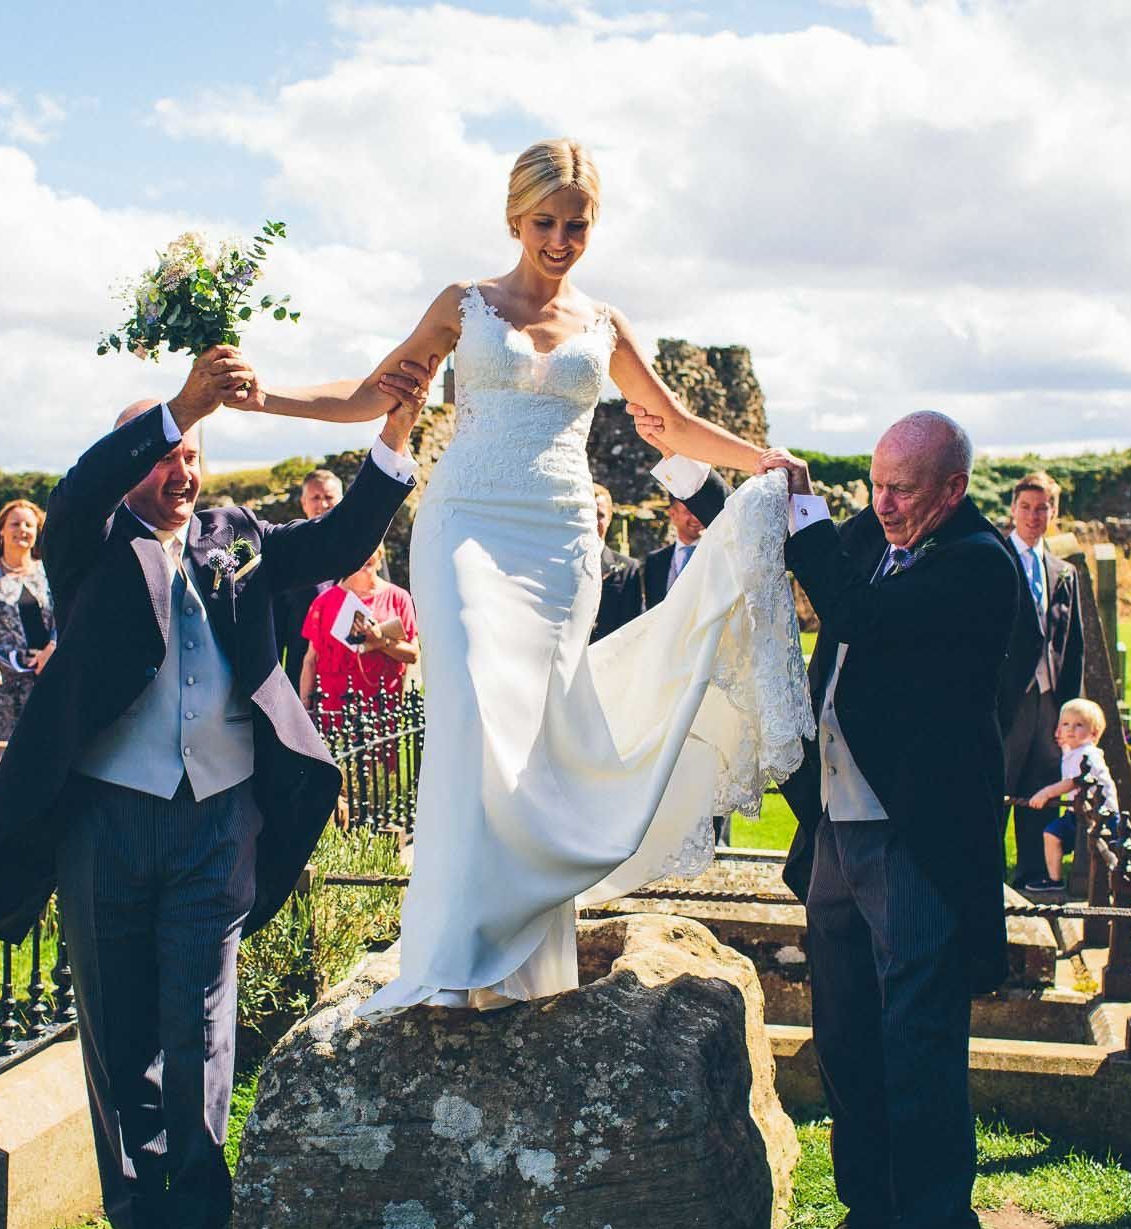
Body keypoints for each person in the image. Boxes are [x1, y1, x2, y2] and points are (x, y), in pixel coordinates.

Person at [230, 137, 809, 1017]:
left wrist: (761, 457)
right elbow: (369, 392)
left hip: (560, 542)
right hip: (464, 526)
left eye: (576, 224)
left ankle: (522, 958)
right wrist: (265, 396)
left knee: (536, 736)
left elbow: (674, 420)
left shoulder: (606, 325)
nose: (560, 238)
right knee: (469, 706)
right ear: (514, 217)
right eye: (545, 221)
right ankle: (454, 949)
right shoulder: (464, 307)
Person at [0, 349, 428, 1229]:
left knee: (200, 1024)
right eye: (165, 456)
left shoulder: (233, 535)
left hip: (218, 817)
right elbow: (77, 487)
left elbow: (335, 544)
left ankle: (201, 1228)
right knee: (118, 1027)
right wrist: (178, 406)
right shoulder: (85, 539)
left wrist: (395, 436)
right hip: (107, 820)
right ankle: (138, 1227)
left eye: (193, 457)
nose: (179, 474)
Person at [761, 412, 1016, 1229]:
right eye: (875, 483)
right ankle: (872, 1216)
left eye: (904, 488)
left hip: (913, 840)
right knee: (848, 1041)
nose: (885, 503)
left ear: (953, 488)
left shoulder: (980, 564)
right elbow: (814, 542)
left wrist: (809, 526)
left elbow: (857, 610)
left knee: (918, 1056)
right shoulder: (881, 533)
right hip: (834, 830)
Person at [997, 471, 1085, 887]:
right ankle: (987, 873)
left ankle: (1034, 874)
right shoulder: (995, 559)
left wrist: (1070, 711)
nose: (1034, 516)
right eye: (1026, 507)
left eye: (1042, 508)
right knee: (999, 783)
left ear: (1054, 512)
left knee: (1042, 786)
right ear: (1013, 510)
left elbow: (1075, 645)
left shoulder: (1063, 572)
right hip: (1007, 697)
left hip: (1049, 697)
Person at [0, 499, 54, 740]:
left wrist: (51, 649)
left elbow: (66, 619)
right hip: (2, 685)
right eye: (15, 524)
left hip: (46, 677)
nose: (22, 530)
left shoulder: (50, 572)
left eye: (29, 525)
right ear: (1, 531)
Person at [298, 544, 417, 718]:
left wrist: (380, 642)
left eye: (371, 549)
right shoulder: (323, 602)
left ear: (380, 556)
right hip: (334, 710)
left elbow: (413, 655)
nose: (365, 556)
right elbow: (310, 661)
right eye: (358, 551)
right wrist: (304, 708)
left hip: (381, 710)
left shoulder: (399, 598)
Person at [1023, 698, 1118, 890]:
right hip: (1077, 812)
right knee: (1051, 834)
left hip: (1101, 815)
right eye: (1065, 724)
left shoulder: (1089, 754)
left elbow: (1074, 781)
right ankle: (1054, 879)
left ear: (1094, 733)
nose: (1070, 730)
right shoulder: (1072, 751)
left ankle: (1108, 882)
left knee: (1102, 851)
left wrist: (1046, 793)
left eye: (1078, 725)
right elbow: (1065, 748)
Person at [271, 469, 343, 689]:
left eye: (329, 497)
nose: (322, 505)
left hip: (348, 673)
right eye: (315, 498)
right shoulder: (287, 555)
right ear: (303, 503)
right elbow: (276, 633)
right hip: (300, 675)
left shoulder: (358, 550)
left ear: (341, 500)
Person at [641, 469, 728, 609]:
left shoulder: (722, 555)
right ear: (673, 514)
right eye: (689, 511)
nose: (696, 517)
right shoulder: (655, 561)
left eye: (701, 510)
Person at [589, 482, 643, 642]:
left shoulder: (629, 569)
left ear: (610, 518)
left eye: (600, 515)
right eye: (589, 514)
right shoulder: (562, 564)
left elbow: (631, 625)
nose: (594, 521)